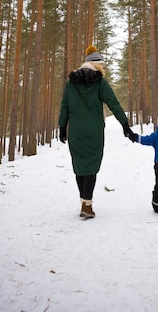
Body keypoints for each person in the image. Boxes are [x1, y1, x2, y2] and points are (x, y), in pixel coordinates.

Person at [58, 44, 134, 219]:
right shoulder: (100, 82)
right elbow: (113, 103)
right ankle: (87, 204)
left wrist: (62, 127)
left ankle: (84, 203)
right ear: (98, 64)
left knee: (79, 166)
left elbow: (65, 106)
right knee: (91, 165)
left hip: (75, 130)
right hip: (94, 131)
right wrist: (125, 125)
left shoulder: (71, 82)